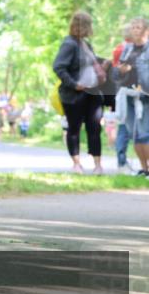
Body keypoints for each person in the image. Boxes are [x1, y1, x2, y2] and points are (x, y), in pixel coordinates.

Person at [52, 11, 106, 174]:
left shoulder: (85, 44)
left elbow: (91, 63)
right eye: (89, 25)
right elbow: (58, 67)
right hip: (74, 95)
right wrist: (74, 84)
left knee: (94, 127)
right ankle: (76, 164)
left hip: (92, 93)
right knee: (74, 128)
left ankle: (97, 165)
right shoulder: (69, 44)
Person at [113, 17, 149, 176]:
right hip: (128, 95)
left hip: (145, 96)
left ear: (146, 31)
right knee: (135, 135)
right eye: (133, 27)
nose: (135, 30)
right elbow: (117, 71)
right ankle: (144, 169)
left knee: (144, 134)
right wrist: (120, 70)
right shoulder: (127, 49)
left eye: (138, 27)